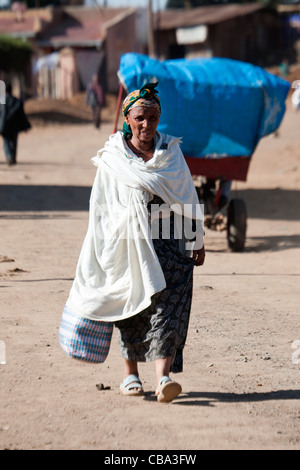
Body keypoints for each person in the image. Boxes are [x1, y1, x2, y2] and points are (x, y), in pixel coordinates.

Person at [59, 82, 205, 403]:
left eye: (152, 117)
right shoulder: (115, 157)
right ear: (128, 119)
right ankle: (130, 375)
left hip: (170, 241)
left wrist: (196, 239)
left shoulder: (171, 152)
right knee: (131, 308)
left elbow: (187, 196)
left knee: (169, 307)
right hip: (126, 241)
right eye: (139, 117)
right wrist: (102, 248)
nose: (146, 124)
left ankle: (163, 377)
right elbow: (101, 207)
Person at [0, 82, 31, 165]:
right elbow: (22, 115)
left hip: (4, 125)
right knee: (14, 142)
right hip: (15, 126)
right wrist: (26, 126)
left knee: (6, 142)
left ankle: (9, 156)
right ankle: (13, 158)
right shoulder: (17, 101)